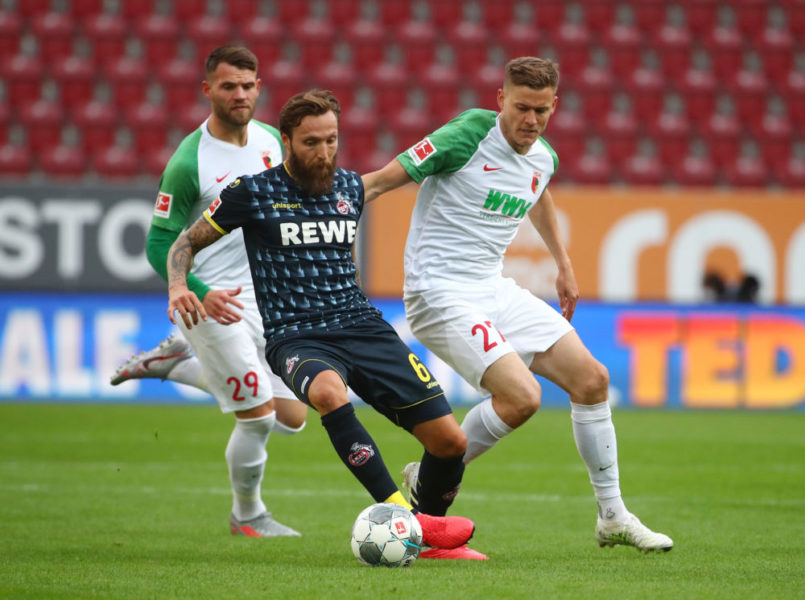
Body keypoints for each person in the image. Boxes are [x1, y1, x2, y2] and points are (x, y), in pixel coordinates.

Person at [362, 57, 674, 553]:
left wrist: (563, 262)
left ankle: (612, 516)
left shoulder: (542, 156)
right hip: (439, 292)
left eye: (542, 111)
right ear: (500, 99)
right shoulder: (466, 135)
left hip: (494, 288)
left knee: (592, 381)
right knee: (522, 398)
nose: (530, 121)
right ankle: (435, 476)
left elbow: (538, 191)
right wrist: (323, 214)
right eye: (522, 108)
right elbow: (380, 180)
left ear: (555, 106)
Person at [165, 89, 486, 560]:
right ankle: (409, 523)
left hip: (363, 326)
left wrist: (465, 131)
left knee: (450, 441)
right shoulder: (253, 193)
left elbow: (404, 168)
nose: (324, 152)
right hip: (296, 334)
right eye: (312, 142)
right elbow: (184, 244)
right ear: (288, 141)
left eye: (332, 140)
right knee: (329, 394)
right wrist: (178, 285)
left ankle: (431, 535)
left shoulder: (350, 187)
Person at [111, 45, 309, 537]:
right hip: (208, 303)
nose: (239, 94)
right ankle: (247, 515)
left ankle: (172, 365)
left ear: (259, 87)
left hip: (263, 297)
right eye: (228, 86)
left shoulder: (269, 141)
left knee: (294, 417)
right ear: (208, 91)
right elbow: (159, 244)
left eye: (247, 85)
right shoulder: (189, 162)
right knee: (258, 416)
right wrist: (196, 289)